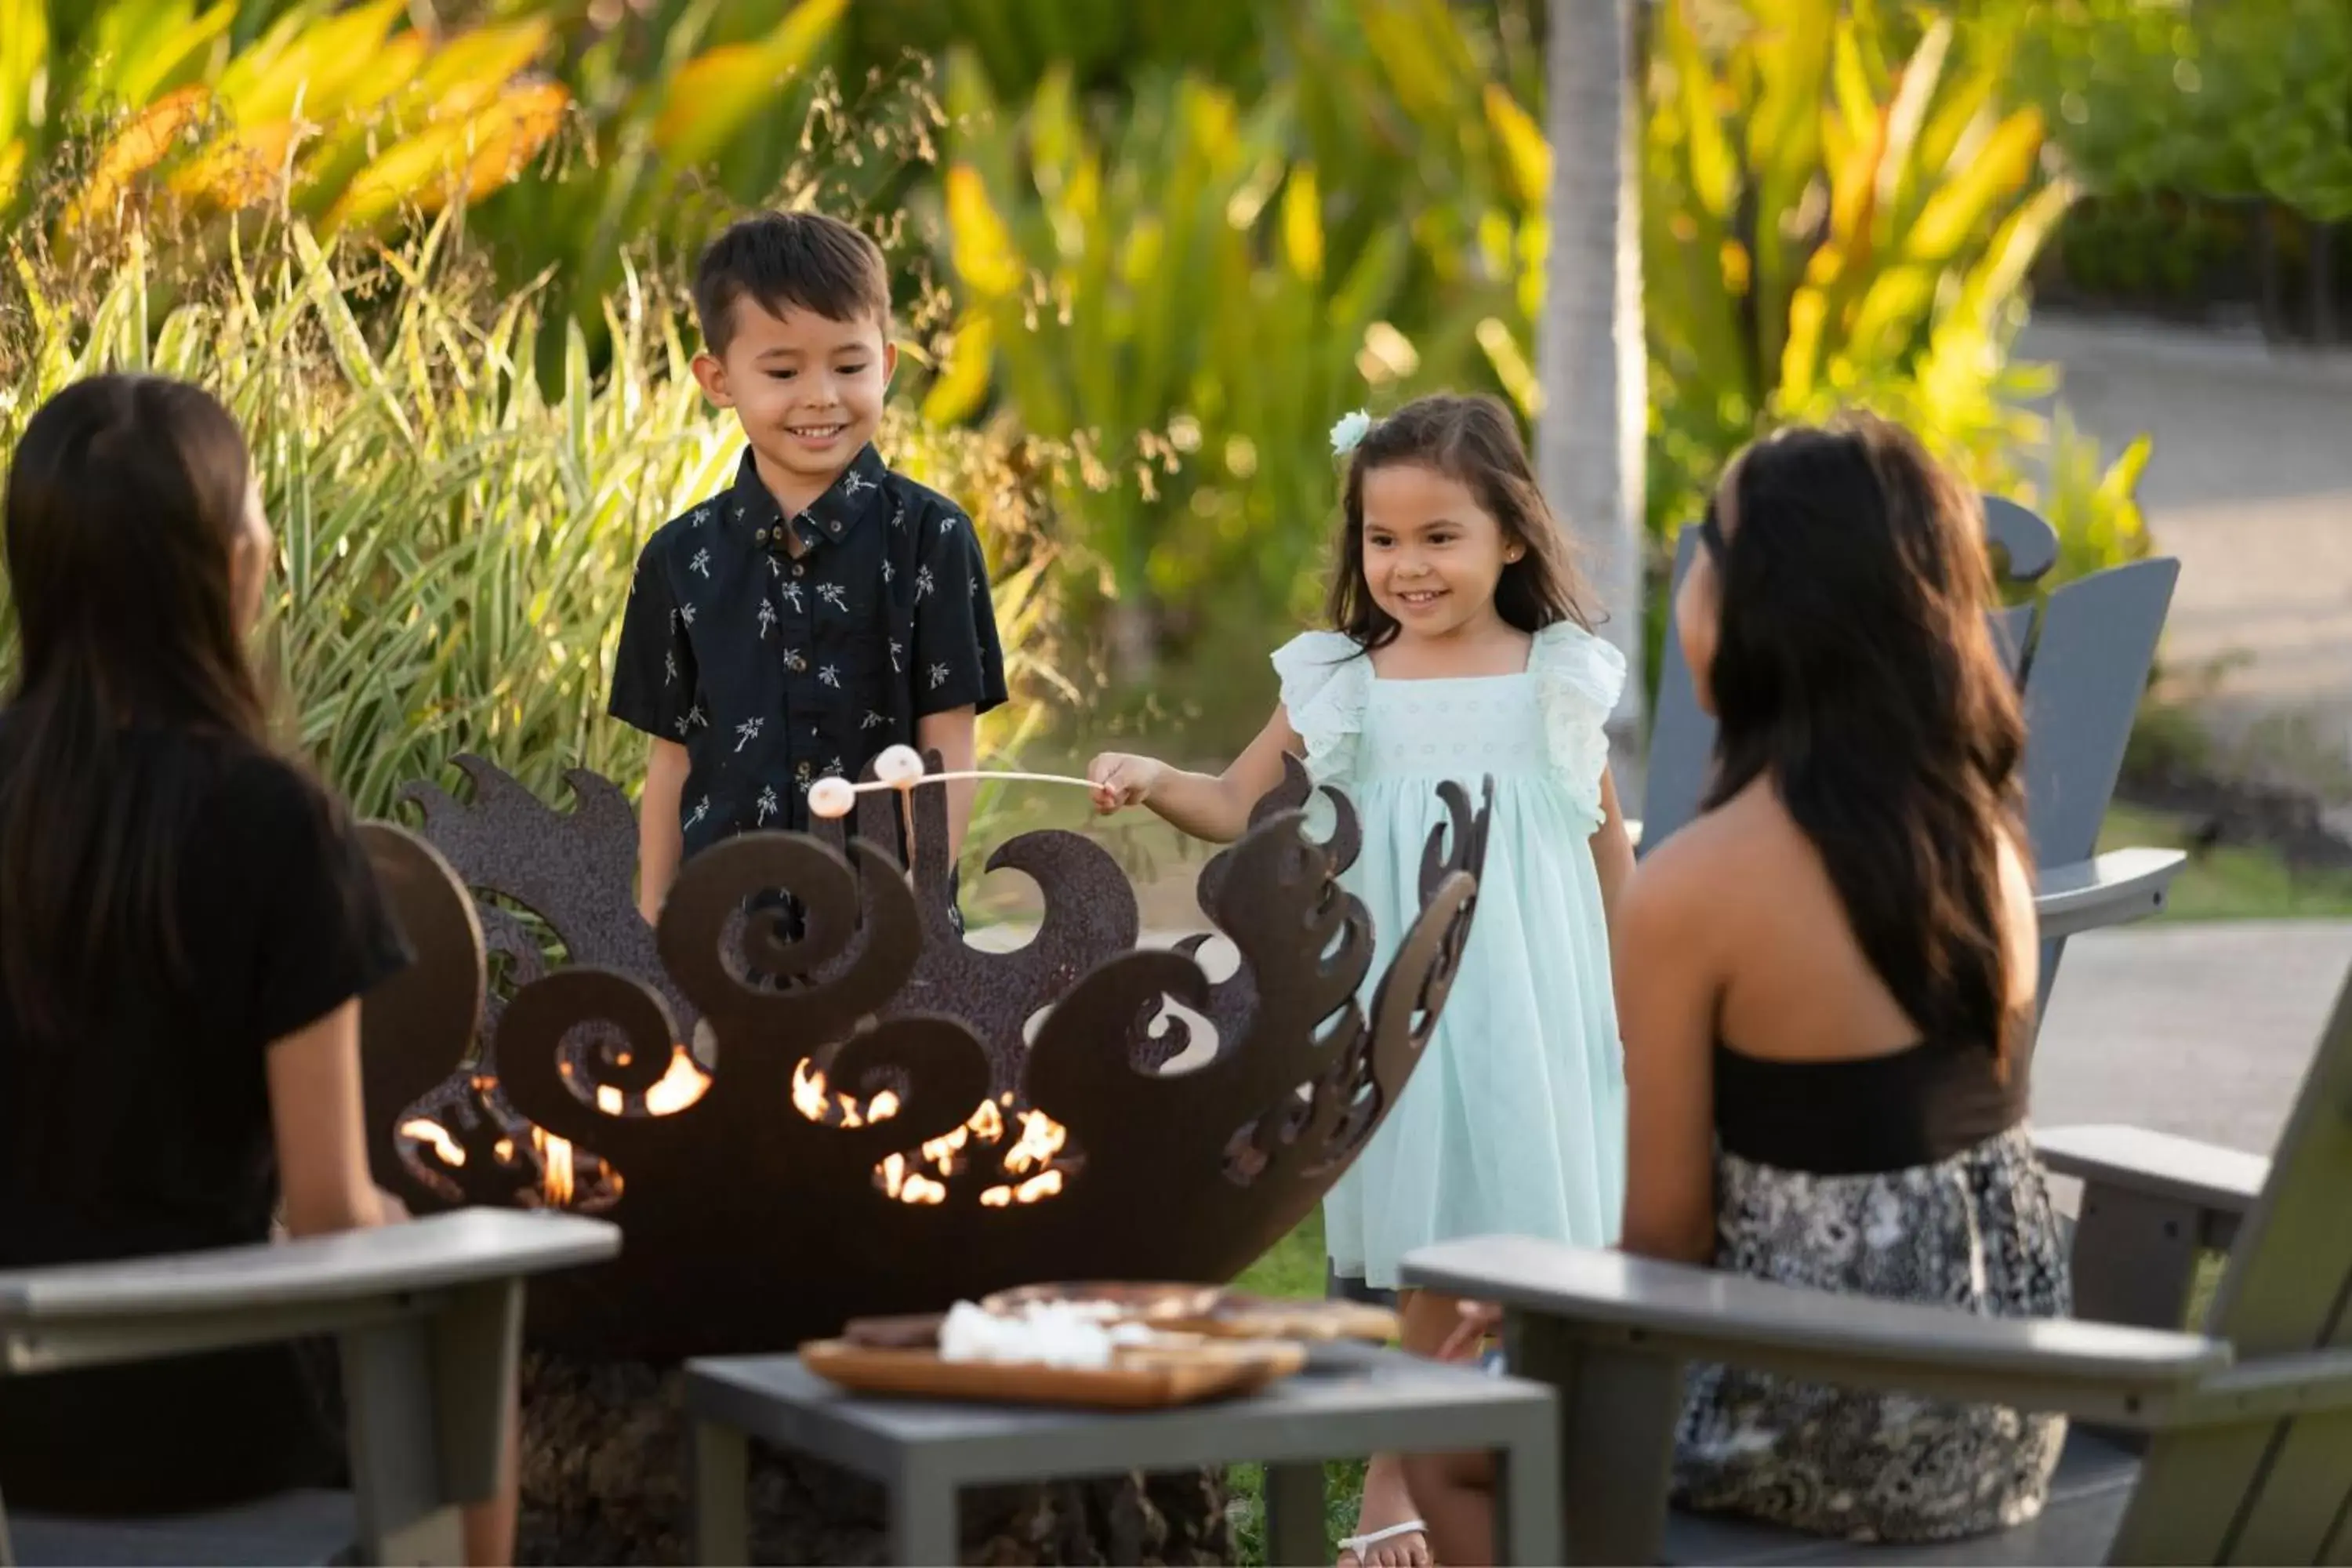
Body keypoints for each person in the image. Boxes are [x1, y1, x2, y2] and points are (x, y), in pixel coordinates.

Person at [1428, 414, 2071, 1563]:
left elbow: (1664, 1245)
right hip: (2008, 1412)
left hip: (1820, 1407)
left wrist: (1544, 1307)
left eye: (1703, 552)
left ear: (1761, 606)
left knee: (1452, 1439)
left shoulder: (1695, 892)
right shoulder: (1982, 839)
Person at [1089, 393, 1634, 1568]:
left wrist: (1642, 990)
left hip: (1531, 987)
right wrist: (1149, 774)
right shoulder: (1342, 679)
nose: (1409, 566)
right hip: (1395, 993)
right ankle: (1397, 1465)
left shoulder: (1557, 675)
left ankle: (1529, 1451)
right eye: (1384, 540)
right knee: (1416, 1203)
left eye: (1442, 538)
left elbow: (1605, 847)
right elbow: (1236, 803)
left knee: (1524, 1193)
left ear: (1513, 539)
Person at [0, 374, 517, 1561]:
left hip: (12, 1454)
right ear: (230, 571)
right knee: (472, 1317)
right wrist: (394, 1225)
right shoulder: (274, 823)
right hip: (217, 1453)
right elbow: (330, 1209)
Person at [610, 209, 1009, 927]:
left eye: (849, 366)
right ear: (719, 378)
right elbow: (670, 762)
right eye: (783, 370)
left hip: (884, 930)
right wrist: (653, 928)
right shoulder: (677, 561)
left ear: (885, 365)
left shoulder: (933, 539)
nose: (821, 395)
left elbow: (948, 745)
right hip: (724, 934)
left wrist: (913, 905)